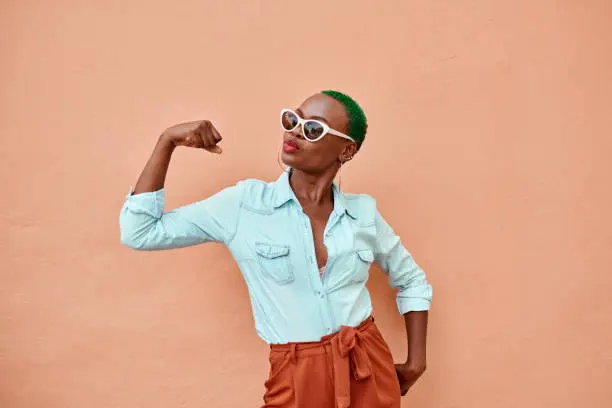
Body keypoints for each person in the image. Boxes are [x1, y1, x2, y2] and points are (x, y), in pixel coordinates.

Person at [119, 90, 433, 408]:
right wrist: (167, 141)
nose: (295, 130)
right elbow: (139, 232)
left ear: (346, 149)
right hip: (294, 372)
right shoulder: (243, 205)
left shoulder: (363, 214)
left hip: (367, 364)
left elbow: (411, 281)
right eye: (292, 119)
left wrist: (415, 363)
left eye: (313, 128)